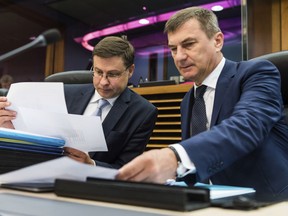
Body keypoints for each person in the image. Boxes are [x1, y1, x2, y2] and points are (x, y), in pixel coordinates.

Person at [116, 7, 288, 197]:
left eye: (188, 44)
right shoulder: (188, 100)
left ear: (217, 41)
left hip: (266, 201)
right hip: (212, 202)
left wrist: (175, 157)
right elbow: (201, 164)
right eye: (173, 49)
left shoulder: (257, 73)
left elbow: (248, 125)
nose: (179, 57)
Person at [0, 36, 158, 169]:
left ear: (130, 71)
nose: (103, 82)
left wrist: (92, 164)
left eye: (113, 74)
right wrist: (9, 125)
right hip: (44, 171)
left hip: (93, 188)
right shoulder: (65, 93)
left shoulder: (143, 112)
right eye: (98, 72)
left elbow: (126, 168)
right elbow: (37, 135)